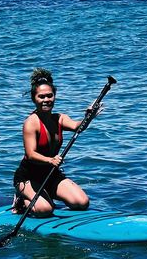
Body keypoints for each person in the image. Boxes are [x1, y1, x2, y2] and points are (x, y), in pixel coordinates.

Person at [12, 68, 98, 216]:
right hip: (28, 178)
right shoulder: (31, 123)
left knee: (82, 203)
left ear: (55, 96)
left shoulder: (60, 118)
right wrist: (50, 160)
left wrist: (89, 116)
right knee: (45, 210)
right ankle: (22, 200)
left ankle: (46, 194)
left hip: (51, 174)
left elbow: (78, 127)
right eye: (41, 97)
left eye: (49, 96)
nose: (46, 100)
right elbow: (31, 154)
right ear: (34, 99)